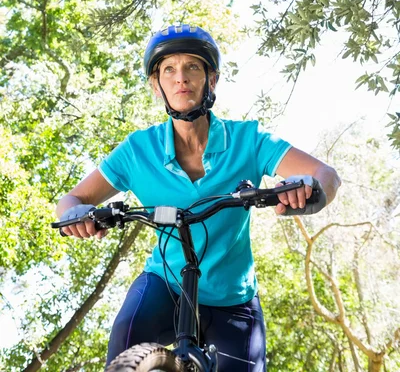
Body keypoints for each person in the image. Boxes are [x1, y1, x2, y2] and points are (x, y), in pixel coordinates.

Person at [56, 24, 341, 371]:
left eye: (192, 66)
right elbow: (72, 198)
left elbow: (326, 175)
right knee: (124, 342)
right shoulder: (137, 151)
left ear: (212, 79)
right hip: (165, 283)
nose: (181, 79)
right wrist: (78, 215)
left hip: (232, 297)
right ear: (157, 85)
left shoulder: (248, 140)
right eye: (169, 70)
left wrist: (311, 190)